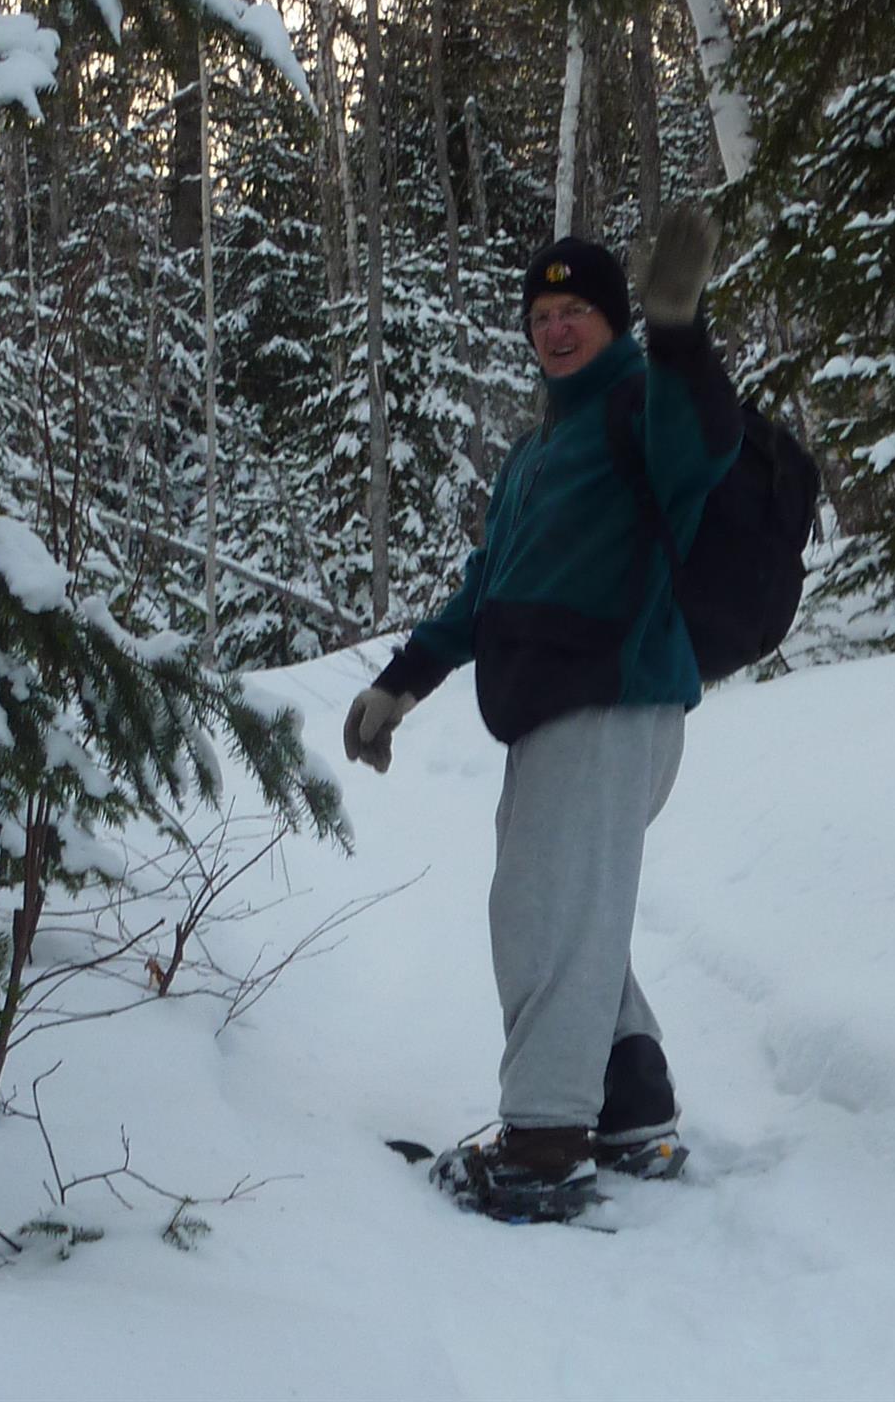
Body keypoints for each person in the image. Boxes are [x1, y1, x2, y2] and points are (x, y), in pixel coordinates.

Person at [342, 204, 741, 1223]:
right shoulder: (537, 451)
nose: (555, 327)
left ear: (613, 320)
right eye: (541, 312)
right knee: (565, 906)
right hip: (551, 709)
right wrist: (400, 680)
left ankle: (542, 1145)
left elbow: (702, 448)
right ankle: (630, 1109)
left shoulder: (642, 405)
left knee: (542, 913)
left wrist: (678, 328)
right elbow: (488, 586)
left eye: (576, 310)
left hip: (612, 699)